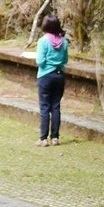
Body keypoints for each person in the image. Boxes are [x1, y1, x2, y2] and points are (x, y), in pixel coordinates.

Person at [35, 14, 68, 147]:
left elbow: (40, 61)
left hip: (45, 76)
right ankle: (55, 137)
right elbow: (65, 60)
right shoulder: (64, 42)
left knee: (44, 107)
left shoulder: (43, 41)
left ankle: (43, 138)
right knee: (55, 106)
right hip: (59, 76)